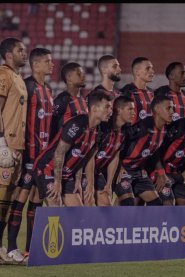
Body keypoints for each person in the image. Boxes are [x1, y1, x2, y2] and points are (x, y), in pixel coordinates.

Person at [6, 48, 54, 262]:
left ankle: (29, 250)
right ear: (36, 65)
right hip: (29, 155)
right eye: (48, 61)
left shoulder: (48, 89)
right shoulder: (28, 86)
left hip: (43, 157)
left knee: (36, 201)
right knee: (21, 198)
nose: (52, 65)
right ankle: (11, 248)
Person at [33, 90, 113, 207]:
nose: (110, 111)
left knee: (78, 212)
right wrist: (57, 182)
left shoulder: (98, 131)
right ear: (95, 108)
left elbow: (83, 157)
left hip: (67, 174)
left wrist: (78, 179)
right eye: (107, 107)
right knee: (57, 209)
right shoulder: (77, 124)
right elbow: (59, 153)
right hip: (47, 169)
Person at [115, 94, 173, 206]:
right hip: (124, 169)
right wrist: (119, 165)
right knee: (128, 203)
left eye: (172, 108)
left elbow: (154, 150)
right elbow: (120, 142)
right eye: (168, 108)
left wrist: (160, 171)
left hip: (138, 171)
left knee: (156, 204)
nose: (172, 112)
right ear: (157, 110)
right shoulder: (143, 127)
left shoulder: (164, 130)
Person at [0, 37, 27, 262]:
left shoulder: (18, 78)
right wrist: (1, 142)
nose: (24, 53)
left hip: (17, 147)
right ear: (9, 54)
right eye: (20, 50)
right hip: (5, 146)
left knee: (7, 200)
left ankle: (1, 247)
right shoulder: (3, 74)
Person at [84, 95, 135, 206]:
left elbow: (115, 156)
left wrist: (109, 184)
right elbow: (90, 156)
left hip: (98, 172)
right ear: (119, 111)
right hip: (84, 171)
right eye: (130, 109)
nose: (133, 113)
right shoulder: (103, 127)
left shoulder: (125, 130)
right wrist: (90, 184)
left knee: (106, 204)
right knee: (88, 203)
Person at [50, 62, 88, 140]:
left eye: (83, 73)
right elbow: (52, 127)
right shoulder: (61, 100)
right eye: (79, 74)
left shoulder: (84, 101)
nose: (83, 76)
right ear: (69, 78)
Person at [120, 57, 154, 125]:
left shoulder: (152, 93)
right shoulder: (126, 92)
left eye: (152, 68)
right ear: (137, 72)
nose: (152, 71)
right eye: (147, 68)